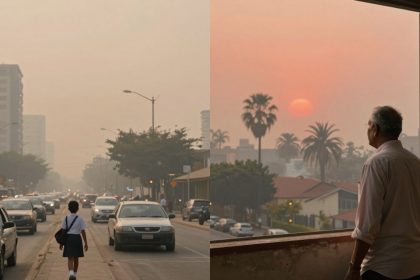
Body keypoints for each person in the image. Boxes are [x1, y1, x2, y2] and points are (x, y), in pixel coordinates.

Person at [345, 106, 420, 280]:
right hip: (415, 265)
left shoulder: (377, 163)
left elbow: (367, 224)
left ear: (375, 129)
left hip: (384, 268)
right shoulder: (415, 162)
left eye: (369, 125)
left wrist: (354, 267)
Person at [60, 200, 88, 280]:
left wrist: (61, 243)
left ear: (69, 208)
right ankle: (75, 274)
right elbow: (83, 231)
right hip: (77, 238)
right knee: (76, 258)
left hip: (68, 239)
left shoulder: (65, 218)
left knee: (70, 258)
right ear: (77, 208)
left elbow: (63, 231)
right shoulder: (80, 219)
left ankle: (71, 273)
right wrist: (85, 243)